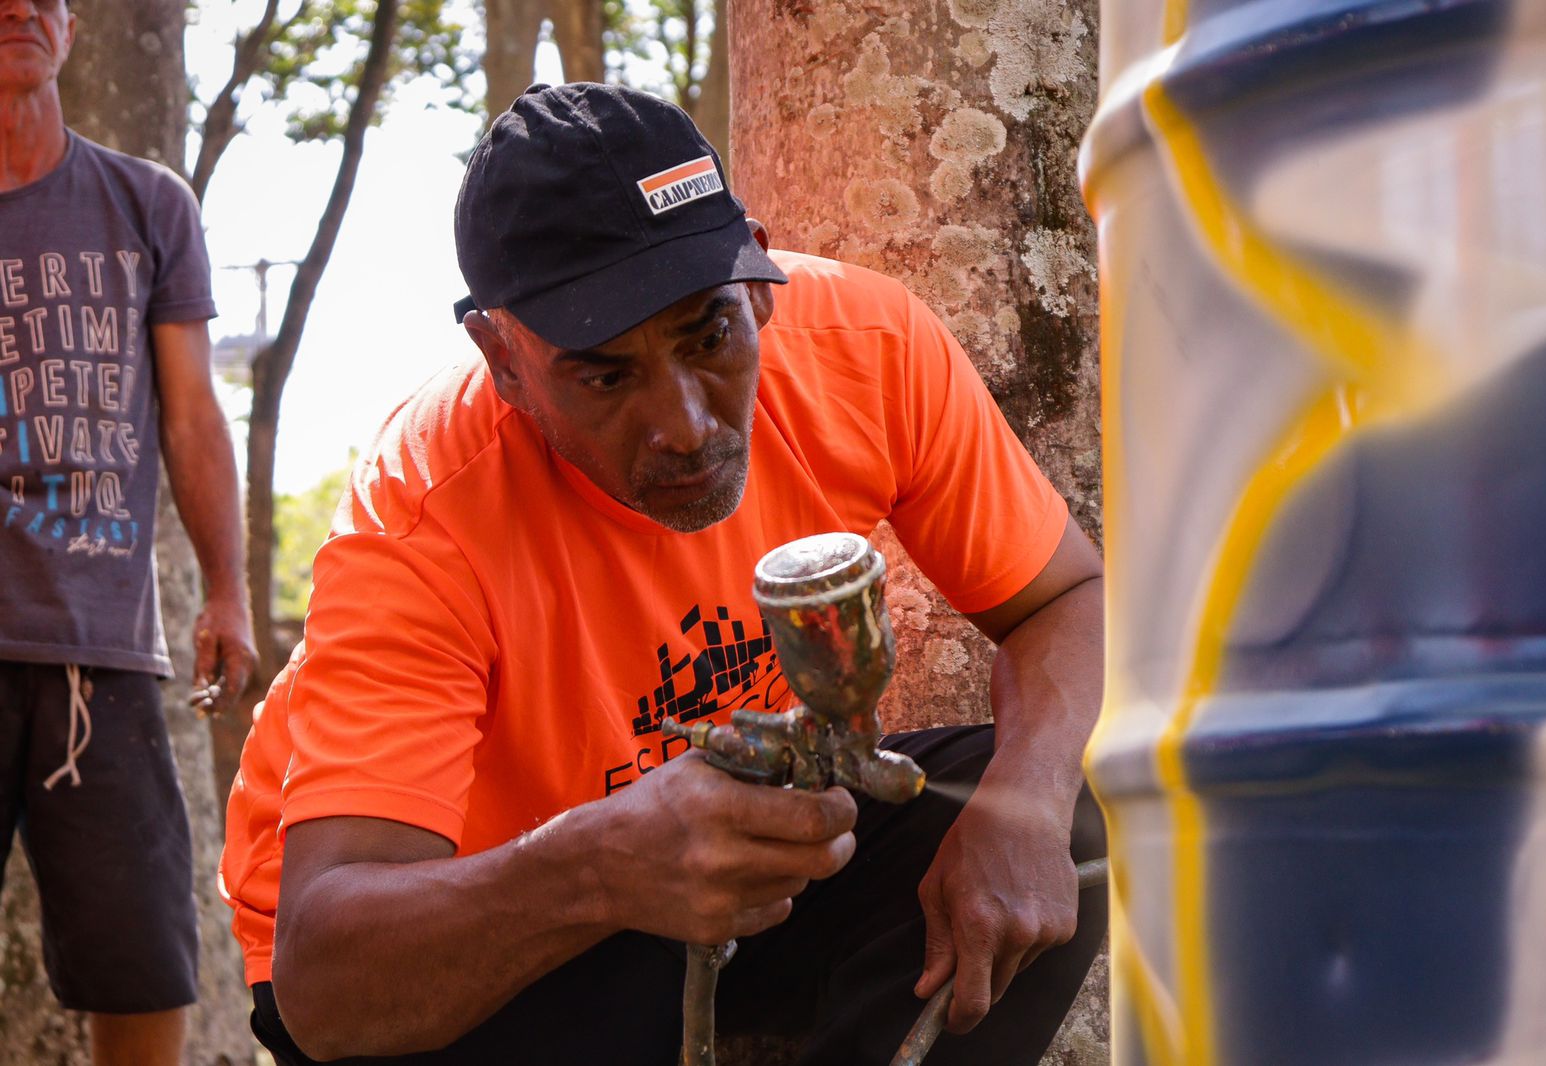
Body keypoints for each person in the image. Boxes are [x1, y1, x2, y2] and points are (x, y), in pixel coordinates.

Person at [222, 82, 1106, 1066]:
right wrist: (601, 865)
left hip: (726, 873)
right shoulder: (422, 514)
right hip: (478, 921)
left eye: (708, 335)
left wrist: (1025, 803)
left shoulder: (869, 349)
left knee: (1075, 788)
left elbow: (1066, 598)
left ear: (759, 283)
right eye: (605, 374)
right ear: (503, 357)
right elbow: (326, 987)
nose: (684, 425)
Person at [0, 0, 257, 1062]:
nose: (23, 7)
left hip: (101, 656)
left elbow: (193, 413)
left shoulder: (147, 202)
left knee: (146, 960)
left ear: (69, 28)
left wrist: (229, 587)